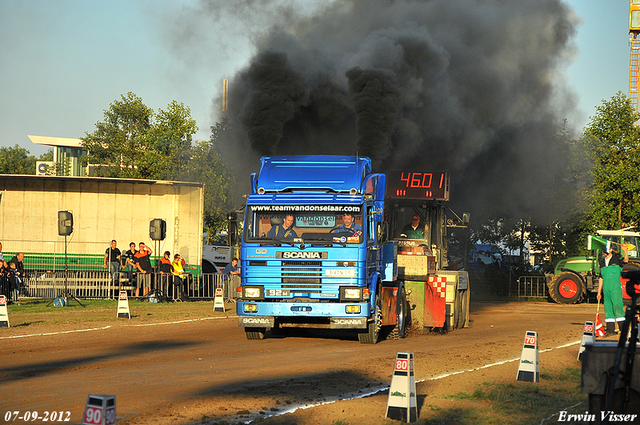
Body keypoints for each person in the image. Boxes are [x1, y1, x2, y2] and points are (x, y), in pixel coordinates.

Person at [597, 243, 628, 336]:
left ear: (611, 249)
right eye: (604, 251)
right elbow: (601, 278)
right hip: (606, 290)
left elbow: (626, 261)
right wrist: (599, 292)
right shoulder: (602, 262)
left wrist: (625, 251)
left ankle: (623, 328)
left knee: (617, 306)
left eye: (606, 250)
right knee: (608, 308)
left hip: (615, 289)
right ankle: (610, 330)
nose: (605, 252)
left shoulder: (617, 259)